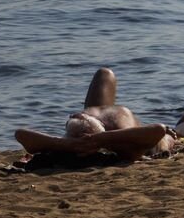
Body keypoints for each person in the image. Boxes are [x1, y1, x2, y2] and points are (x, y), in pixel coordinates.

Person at [14, 67, 175, 162]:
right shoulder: (123, 148)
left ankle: (171, 136)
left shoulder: (120, 142)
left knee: (166, 139)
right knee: (104, 73)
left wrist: (97, 140)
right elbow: (20, 134)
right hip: (105, 120)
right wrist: (64, 143)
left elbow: (158, 130)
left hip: (115, 125)